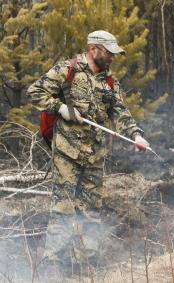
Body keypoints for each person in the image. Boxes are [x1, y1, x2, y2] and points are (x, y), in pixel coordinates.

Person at [27, 30, 149, 274]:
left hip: (95, 155)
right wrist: (60, 107)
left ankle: (84, 266)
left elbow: (120, 112)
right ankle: (53, 266)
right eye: (109, 52)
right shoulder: (68, 70)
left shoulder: (110, 81)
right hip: (67, 153)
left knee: (91, 210)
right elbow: (35, 92)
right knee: (63, 208)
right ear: (94, 49)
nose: (113, 57)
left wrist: (136, 135)